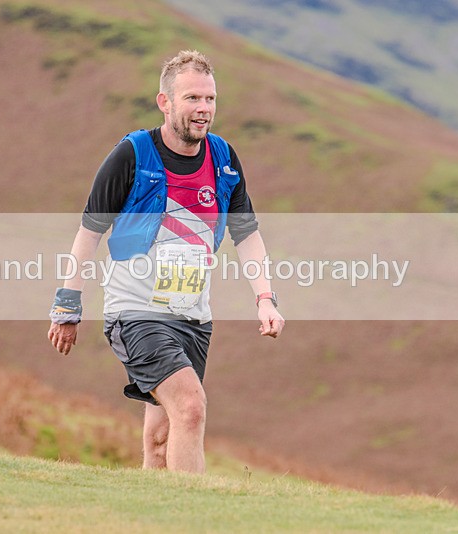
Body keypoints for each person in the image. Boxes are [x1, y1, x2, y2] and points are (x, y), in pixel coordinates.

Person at [48, 50, 285, 473]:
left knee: (161, 439)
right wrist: (68, 305)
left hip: (194, 317)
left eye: (210, 99)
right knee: (191, 407)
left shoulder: (224, 159)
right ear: (165, 102)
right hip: (135, 313)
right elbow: (89, 233)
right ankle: (194, 516)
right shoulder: (133, 154)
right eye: (192, 98)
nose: (204, 109)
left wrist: (265, 299)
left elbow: (246, 235)